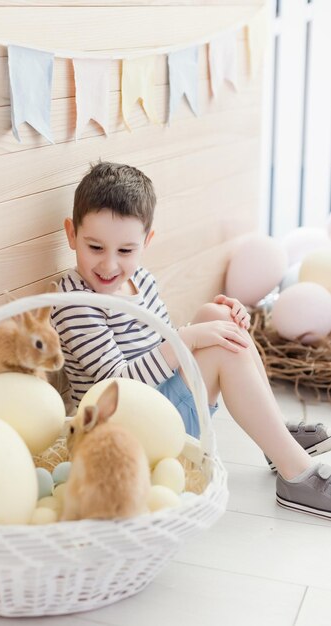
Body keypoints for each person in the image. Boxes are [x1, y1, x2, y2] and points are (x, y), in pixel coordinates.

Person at [51, 161, 331, 520]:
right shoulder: (76, 301)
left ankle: (274, 436)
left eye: (125, 251)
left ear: (146, 242)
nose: (108, 265)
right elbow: (115, 381)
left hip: (151, 406)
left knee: (219, 319)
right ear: (72, 235)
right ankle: (297, 473)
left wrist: (207, 327)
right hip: (123, 427)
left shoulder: (143, 282)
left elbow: (158, 345)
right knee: (218, 348)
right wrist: (188, 339)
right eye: (94, 247)